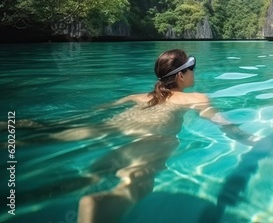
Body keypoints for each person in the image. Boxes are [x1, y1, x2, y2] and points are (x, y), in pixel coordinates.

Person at [77, 49, 258, 223]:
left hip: (117, 134)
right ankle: (98, 206)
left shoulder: (135, 97)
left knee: (87, 178)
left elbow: (94, 113)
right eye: (191, 69)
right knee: (140, 185)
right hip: (155, 141)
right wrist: (252, 140)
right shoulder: (196, 98)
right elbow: (225, 125)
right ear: (181, 75)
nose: (194, 73)